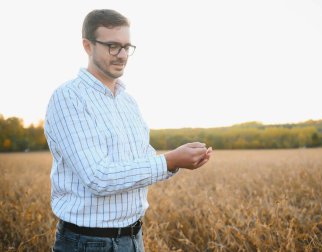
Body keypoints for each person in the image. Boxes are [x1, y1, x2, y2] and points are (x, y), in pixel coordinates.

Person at [44, 9, 212, 252]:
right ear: (87, 46)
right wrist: (168, 160)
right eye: (112, 46)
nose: (122, 55)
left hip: (133, 238)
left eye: (127, 47)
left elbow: (142, 162)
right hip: (88, 243)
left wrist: (177, 161)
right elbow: (98, 177)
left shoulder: (128, 102)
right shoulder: (69, 98)